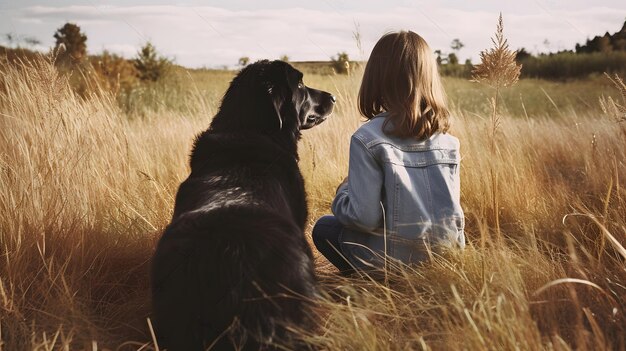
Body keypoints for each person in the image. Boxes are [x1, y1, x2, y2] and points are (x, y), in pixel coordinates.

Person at [312, 31, 465, 274]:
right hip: (441, 263)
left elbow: (364, 218)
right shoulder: (449, 143)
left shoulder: (367, 139)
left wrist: (343, 192)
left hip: (389, 266)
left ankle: (372, 284)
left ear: (377, 78)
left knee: (323, 228)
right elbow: (453, 217)